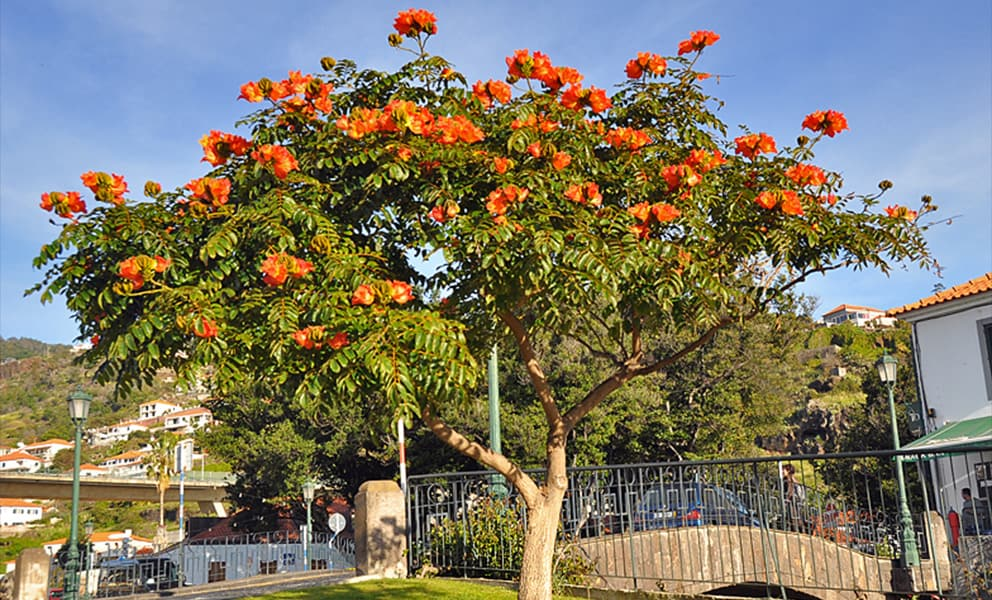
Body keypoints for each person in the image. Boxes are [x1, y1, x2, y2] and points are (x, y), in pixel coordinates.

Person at [782, 464, 806, 532]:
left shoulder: (788, 479)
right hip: (796, 500)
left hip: (792, 500)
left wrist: (786, 499)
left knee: (793, 516)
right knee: (797, 516)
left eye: (784, 470)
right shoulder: (794, 479)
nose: (782, 472)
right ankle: (801, 530)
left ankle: (796, 530)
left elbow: (790, 490)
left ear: (788, 471)